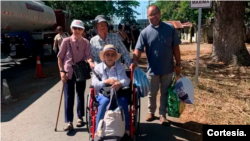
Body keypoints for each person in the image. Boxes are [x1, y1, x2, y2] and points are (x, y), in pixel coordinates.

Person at [130, 5, 181, 125]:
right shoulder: (144, 32)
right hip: (152, 69)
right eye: (150, 15)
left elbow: (176, 48)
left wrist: (178, 64)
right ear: (147, 17)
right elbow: (138, 49)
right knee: (151, 93)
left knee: (165, 92)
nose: (153, 17)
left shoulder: (170, 29)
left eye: (155, 14)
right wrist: (135, 60)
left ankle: (162, 114)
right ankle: (151, 112)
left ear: (160, 13)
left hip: (167, 69)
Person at [57, 20, 95, 131]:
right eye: (75, 28)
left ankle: (80, 117)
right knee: (68, 96)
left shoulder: (86, 42)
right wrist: (61, 71)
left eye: (79, 29)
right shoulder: (66, 41)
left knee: (80, 94)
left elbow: (88, 56)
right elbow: (60, 57)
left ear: (83, 30)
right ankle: (69, 121)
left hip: (80, 70)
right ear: (71, 29)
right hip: (68, 71)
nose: (77, 30)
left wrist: (91, 62)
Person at [92, 44, 131, 140]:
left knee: (123, 102)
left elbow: (127, 80)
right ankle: (98, 131)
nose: (110, 57)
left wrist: (119, 83)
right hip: (103, 94)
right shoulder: (98, 68)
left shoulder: (120, 67)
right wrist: (106, 82)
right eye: (107, 54)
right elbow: (94, 83)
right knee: (104, 102)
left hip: (118, 93)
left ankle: (126, 130)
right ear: (104, 56)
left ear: (115, 57)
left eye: (112, 55)